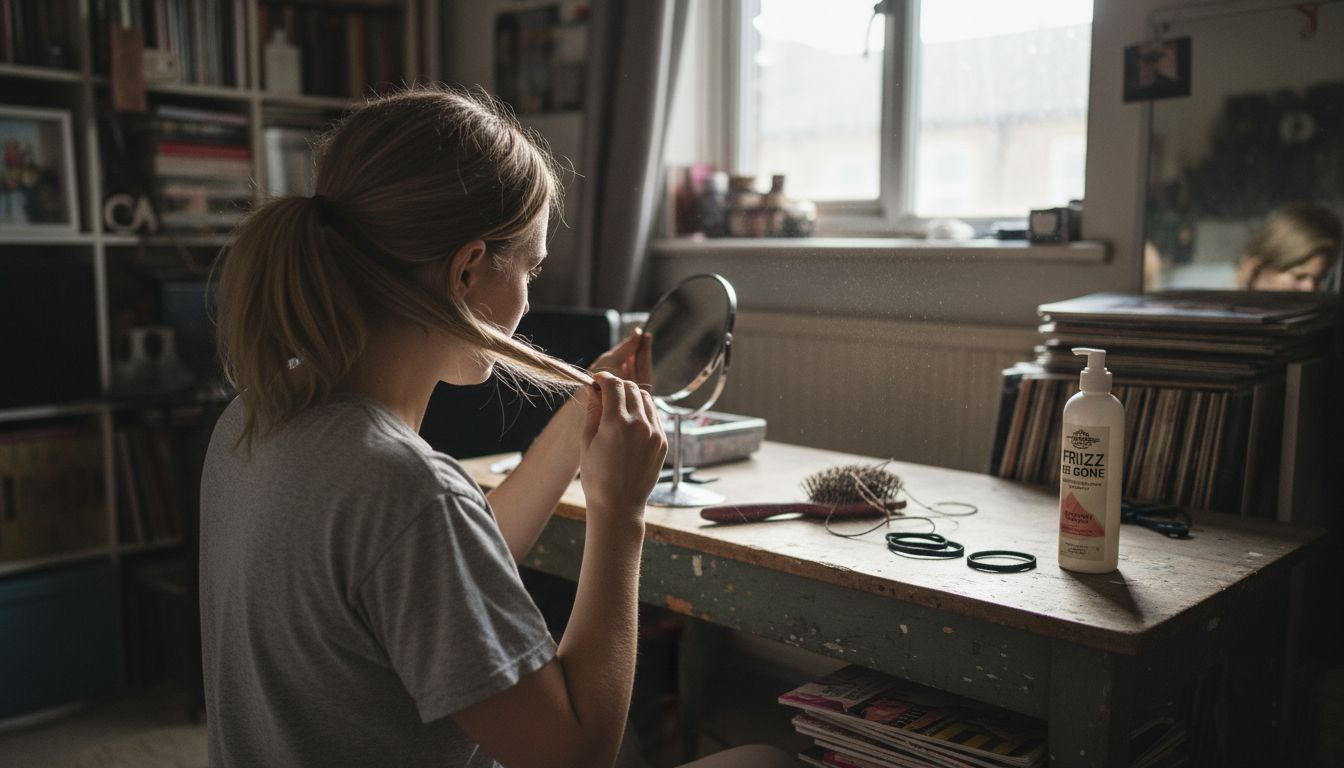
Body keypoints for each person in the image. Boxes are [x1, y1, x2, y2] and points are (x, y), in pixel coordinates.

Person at [202, 86, 795, 768]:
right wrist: (619, 512)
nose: (528, 301)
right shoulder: (405, 492)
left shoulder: (252, 416)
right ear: (466, 271)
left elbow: (446, 572)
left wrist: (578, 428)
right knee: (768, 762)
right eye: (531, 270)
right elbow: (576, 754)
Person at [1235, 202, 1342, 292]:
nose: (1310, 288)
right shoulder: (1221, 302)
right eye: (1299, 277)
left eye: (1320, 278)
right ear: (1262, 266)